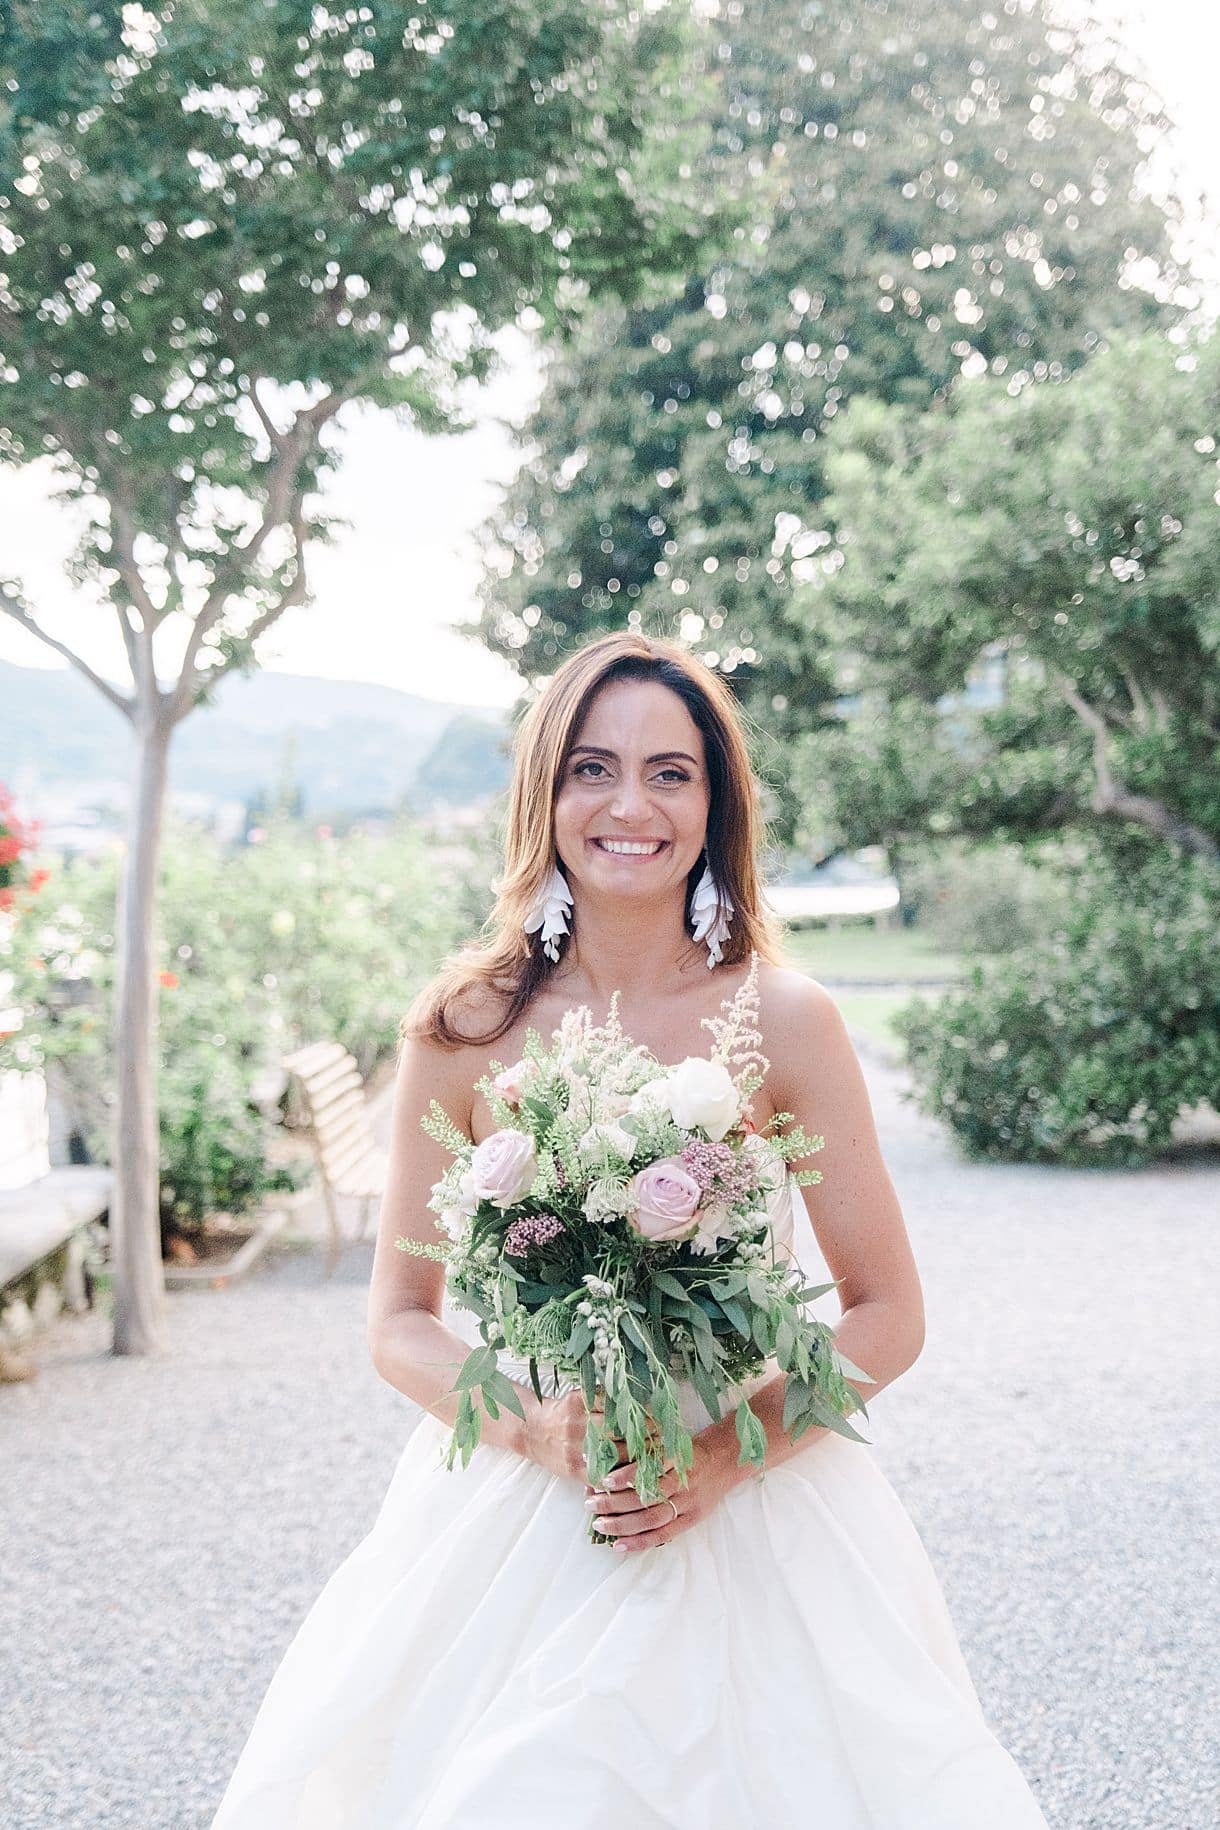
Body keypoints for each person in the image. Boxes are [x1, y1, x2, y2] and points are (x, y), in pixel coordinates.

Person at [211, 632, 1051, 1828]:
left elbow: (889, 1313)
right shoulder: (465, 1025)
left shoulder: (787, 1020)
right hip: (528, 1496)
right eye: (593, 768)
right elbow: (399, 1325)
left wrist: (722, 1458)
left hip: (755, 1499)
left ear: (714, 805)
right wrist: (536, 1429)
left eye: (670, 773)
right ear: (543, 795)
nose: (629, 805)